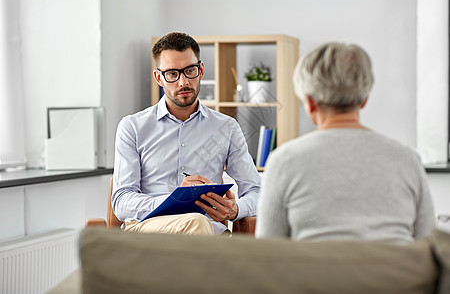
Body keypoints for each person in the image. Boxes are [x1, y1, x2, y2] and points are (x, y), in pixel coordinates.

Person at [255, 42, 435, 242]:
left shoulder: (284, 161)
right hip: (395, 273)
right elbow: (429, 247)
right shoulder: (407, 159)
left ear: (310, 102)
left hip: (316, 273)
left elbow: (268, 255)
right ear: (364, 99)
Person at [112, 32, 260, 235]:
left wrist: (236, 210)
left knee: (199, 225)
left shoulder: (227, 127)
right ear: (159, 77)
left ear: (200, 70)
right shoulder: (132, 127)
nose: (183, 82)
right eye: (172, 74)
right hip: (148, 231)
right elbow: (121, 202)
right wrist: (176, 199)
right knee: (196, 223)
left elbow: (256, 191)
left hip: (209, 232)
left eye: (190, 70)